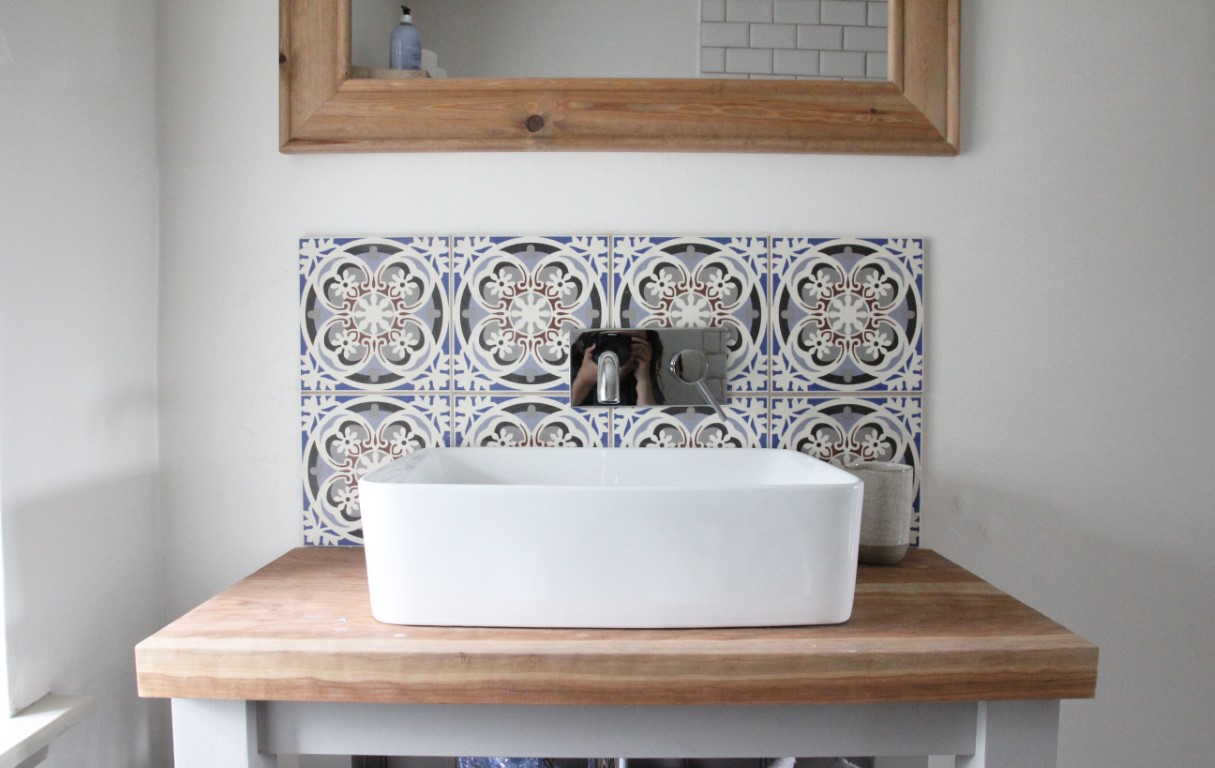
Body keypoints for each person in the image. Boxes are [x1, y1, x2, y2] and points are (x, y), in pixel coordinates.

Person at [570, 330, 664, 406]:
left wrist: (643, 380)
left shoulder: (641, 370)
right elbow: (558, 415)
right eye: (611, 339)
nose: (617, 347)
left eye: (629, 341)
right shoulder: (566, 366)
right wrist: (584, 380)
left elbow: (650, 423)